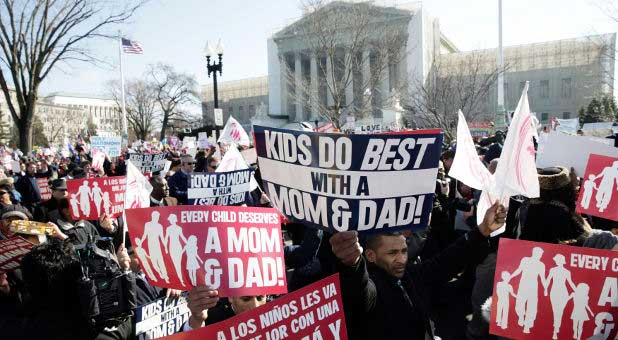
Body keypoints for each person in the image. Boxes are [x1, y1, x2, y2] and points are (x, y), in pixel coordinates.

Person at [330, 201, 507, 340]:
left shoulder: (410, 274)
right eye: (392, 253)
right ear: (370, 255)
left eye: (404, 251)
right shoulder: (373, 285)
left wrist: (483, 229)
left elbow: (447, 260)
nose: (401, 258)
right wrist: (353, 263)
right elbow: (361, 292)